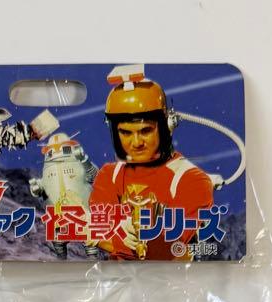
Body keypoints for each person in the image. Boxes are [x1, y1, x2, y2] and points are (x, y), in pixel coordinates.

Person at [90, 66, 214, 261]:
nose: (136, 142)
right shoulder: (109, 176)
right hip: (117, 277)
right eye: (126, 133)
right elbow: (97, 228)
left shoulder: (192, 180)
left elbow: (168, 249)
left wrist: (116, 236)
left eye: (145, 131)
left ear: (166, 126)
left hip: (170, 278)